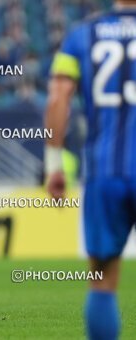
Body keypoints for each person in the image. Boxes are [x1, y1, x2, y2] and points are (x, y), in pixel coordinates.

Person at [45, 2, 136, 338]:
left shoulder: (82, 35)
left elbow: (58, 99)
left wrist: (55, 166)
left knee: (101, 276)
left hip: (104, 171)